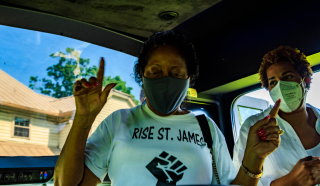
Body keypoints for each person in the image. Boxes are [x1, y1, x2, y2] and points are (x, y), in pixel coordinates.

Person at [54, 30, 282, 186]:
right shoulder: (118, 122)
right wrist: (83, 120)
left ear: (189, 79)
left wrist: (254, 156)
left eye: (175, 74)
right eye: (155, 72)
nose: (165, 80)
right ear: (141, 76)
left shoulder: (206, 127)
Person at [233, 46, 320, 186]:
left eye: (288, 77)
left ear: (306, 81)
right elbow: (239, 183)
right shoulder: (254, 126)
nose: (281, 86)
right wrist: (290, 182)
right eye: (273, 82)